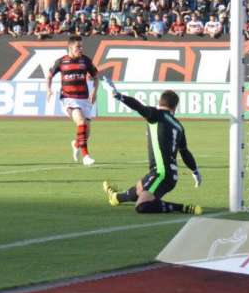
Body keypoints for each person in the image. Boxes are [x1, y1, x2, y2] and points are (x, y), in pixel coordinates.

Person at [100, 78, 202, 215]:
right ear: (175, 107)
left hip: (162, 174)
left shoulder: (156, 115)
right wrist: (195, 171)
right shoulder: (179, 126)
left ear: (159, 102)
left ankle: (182, 208)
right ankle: (116, 198)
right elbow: (185, 152)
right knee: (139, 189)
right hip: (168, 174)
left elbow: (138, 106)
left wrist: (119, 96)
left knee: (142, 206)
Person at [46, 35, 99, 166]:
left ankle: (76, 144)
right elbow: (49, 76)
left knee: (86, 132)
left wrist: (94, 91)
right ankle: (86, 156)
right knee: (81, 122)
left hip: (84, 98)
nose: (80, 49)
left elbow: (96, 77)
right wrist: (48, 89)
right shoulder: (61, 62)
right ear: (70, 47)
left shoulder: (85, 61)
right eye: (78, 47)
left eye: (81, 46)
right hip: (68, 98)